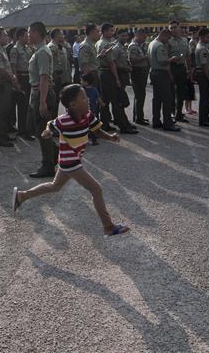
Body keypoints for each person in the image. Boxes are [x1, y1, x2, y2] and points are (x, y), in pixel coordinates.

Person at [11, 84, 129, 237]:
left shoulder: (88, 115)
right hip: (70, 162)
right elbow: (51, 124)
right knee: (96, 189)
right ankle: (108, 226)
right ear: (73, 105)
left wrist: (110, 137)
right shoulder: (64, 120)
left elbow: (97, 130)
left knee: (55, 186)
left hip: (69, 160)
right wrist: (48, 131)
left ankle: (21, 196)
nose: (87, 100)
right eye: (83, 98)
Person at [27, 21, 59, 177]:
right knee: (39, 129)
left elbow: (44, 78)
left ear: (36, 33)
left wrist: (42, 102)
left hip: (42, 93)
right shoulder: (38, 50)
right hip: (38, 93)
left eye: (29, 32)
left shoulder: (42, 52)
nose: (28, 35)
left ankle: (48, 166)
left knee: (43, 131)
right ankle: (55, 154)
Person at [97, 23, 136, 134]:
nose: (112, 33)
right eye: (110, 31)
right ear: (104, 32)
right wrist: (117, 79)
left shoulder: (102, 43)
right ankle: (123, 125)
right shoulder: (107, 44)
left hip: (104, 73)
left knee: (106, 100)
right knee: (116, 101)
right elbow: (112, 63)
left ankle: (106, 124)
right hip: (109, 74)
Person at [0, 27, 20, 147]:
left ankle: (3, 134)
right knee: (0, 112)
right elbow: (2, 70)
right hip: (1, 84)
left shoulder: (1, 49)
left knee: (5, 110)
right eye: (4, 35)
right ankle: (0, 138)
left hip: (5, 83)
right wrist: (13, 80)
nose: (7, 37)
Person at [148, 28, 180, 131]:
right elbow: (162, 61)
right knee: (167, 99)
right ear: (163, 35)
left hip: (154, 72)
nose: (168, 40)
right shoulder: (160, 45)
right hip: (161, 73)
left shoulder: (152, 43)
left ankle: (156, 121)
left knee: (157, 99)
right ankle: (168, 123)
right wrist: (172, 59)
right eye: (168, 38)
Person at [10, 27, 33, 139]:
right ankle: (22, 130)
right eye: (25, 35)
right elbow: (13, 66)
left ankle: (24, 129)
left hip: (28, 77)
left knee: (26, 105)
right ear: (19, 37)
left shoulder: (28, 48)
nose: (27, 37)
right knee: (22, 105)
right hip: (20, 77)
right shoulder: (15, 49)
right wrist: (16, 81)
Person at [193, 28, 209, 127]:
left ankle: (205, 116)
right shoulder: (202, 48)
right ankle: (203, 119)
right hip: (203, 73)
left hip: (204, 73)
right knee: (205, 97)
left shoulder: (204, 46)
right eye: (208, 37)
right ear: (202, 37)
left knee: (208, 96)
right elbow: (204, 65)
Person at [167, 20, 190, 123]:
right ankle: (171, 112)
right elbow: (165, 58)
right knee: (171, 92)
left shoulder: (185, 40)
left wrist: (189, 69)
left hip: (181, 68)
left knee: (181, 92)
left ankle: (179, 113)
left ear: (179, 28)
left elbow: (187, 56)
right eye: (171, 28)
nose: (173, 29)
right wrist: (169, 72)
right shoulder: (167, 41)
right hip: (171, 67)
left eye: (175, 27)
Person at [127, 28, 150, 126]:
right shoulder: (133, 46)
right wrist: (145, 57)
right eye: (144, 36)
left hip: (142, 72)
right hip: (137, 72)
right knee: (139, 96)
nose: (145, 38)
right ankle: (138, 118)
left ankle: (139, 116)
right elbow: (132, 60)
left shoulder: (140, 45)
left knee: (141, 96)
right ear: (138, 35)